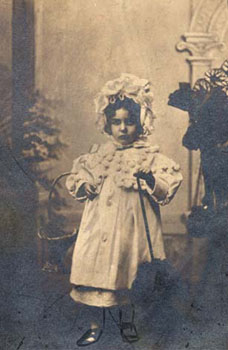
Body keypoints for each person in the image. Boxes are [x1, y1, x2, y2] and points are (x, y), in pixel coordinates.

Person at [66, 74, 183, 346]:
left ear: (140, 123)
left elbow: (169, 185)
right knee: (93, 272)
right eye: (116, 122)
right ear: (107, 123)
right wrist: (85, 184)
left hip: (131, 230)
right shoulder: (98, 155)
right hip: (98, 227)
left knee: (129, 273)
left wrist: (151, 179)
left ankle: (127, 322)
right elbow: (76, 179)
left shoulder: (149, 156)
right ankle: (94, 325)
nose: (122, 128)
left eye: (129, 122)